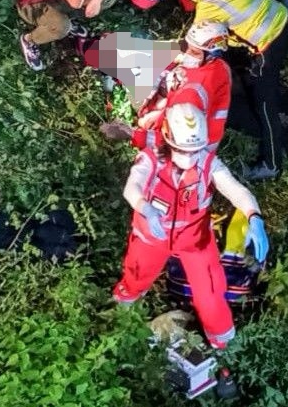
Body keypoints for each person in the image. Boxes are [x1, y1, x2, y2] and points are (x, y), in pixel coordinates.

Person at [113, 104, 269, 349]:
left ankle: (222, 341)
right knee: (136, 274)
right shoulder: (151, 159)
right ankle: (120, 315)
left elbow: (236, 190)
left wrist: (254, 216)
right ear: (168, 140)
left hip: (195, 239)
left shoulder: (208, 163)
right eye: (182, 150)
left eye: (194, 150)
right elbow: (132, 187)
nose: (189, 157)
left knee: (210, 291)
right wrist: (145, 207)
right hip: (152, 235)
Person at [173, 0, 288, 181]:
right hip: (283, 19)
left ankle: (272, 164)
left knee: (264, 106)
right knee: (251, 78)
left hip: (267, 45)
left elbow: (197, 43)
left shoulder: (208, 8)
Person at [132, 21, 233, 152]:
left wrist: (135, 133)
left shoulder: (195, 91)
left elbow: (171, 138)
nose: (188, 54)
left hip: (192, 145)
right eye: (188, 48)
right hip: (198, 131)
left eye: (194, 52)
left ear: (210, 56)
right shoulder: (218, 66)